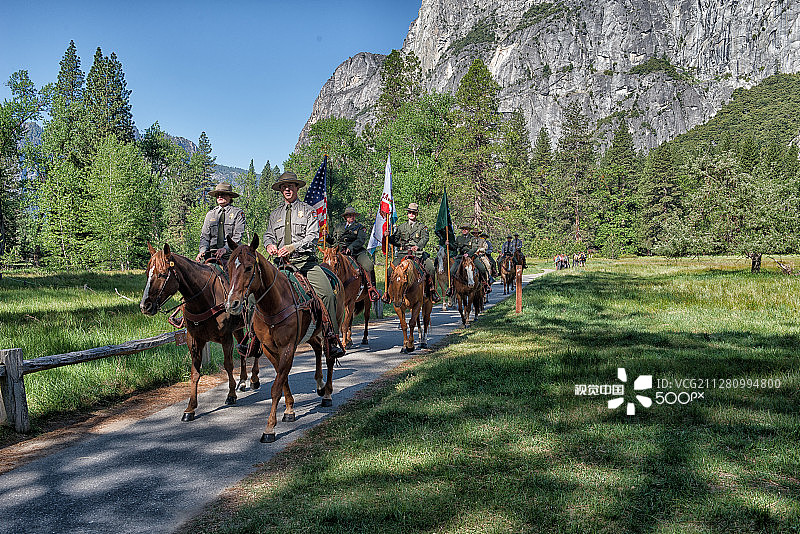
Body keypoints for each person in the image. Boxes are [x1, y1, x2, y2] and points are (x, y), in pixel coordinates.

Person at [263, 171, 345, 358]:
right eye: (284, 187)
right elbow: (268, 234)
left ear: (297, 188)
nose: (287, 189)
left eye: (290, 186)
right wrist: (269, 245)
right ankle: (254, 338)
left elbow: (313, 236)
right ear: (280, 190)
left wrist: (292, 247)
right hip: (281, 265)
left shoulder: (308, 211)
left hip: (305, 263)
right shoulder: (275, 214)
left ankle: (331, 338)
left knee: (327, 294)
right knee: (257, 292)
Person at [386, 202, 440, 303]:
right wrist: (388, 237)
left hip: (417, 254)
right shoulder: (401, 227)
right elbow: (395, 240)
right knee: (389, 270)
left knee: (431, 268)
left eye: (414, 213)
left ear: (416, 214)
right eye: (410, 212)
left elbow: (425, 238)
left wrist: (418, 246)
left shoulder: (422, 227)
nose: (411, 214)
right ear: (407, 214)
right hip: (403, 253)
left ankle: (431, 292)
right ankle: (389, 293)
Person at [325, 206, 378, 297]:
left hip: (356, 252)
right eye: (349, 215)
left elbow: (360, 240)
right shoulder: (338, 227)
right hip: (340, 252)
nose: (351, 217)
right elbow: (334, 241)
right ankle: (328, 287)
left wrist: (351, 247)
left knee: (368, 265)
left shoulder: (360, 227)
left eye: (353, 215)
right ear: (345, 217)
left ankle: (371, 288)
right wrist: (327, 237)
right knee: (329, 264)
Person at [196, 182, 246, 262]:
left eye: (223, 194)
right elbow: (205, 236)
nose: (219, 196)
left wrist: (225, 249)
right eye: (217, 194)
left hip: (231, 255)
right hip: (212, 255)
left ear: (230, 196)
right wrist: (202, 250)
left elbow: (237, 236)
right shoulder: (210, 214)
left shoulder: (238, 213)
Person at [447, 224, 491, 296]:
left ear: (469, 230)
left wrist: (468, 254)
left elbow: (474, 248)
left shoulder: (472, 238)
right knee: (451, 271)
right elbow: (454, 247)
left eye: (466, 229)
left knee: (482, 268)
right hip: (461, 257)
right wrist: (449, 245)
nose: (464, 230)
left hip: (471, 257)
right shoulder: (459, 238)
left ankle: (485, 284)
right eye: (463, 229)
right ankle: (450, 287)